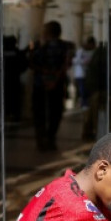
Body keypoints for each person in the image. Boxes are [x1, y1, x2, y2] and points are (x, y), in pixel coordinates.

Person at [30, 20, 74, 151]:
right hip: (57, 83)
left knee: (39, 112)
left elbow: (32, 63)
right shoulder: (66, 46)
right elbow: (67, 64)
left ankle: (41, 138)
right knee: (55, 112)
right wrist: (55, 77)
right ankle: (50, 138)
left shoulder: (38, 46)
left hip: (41, 84)